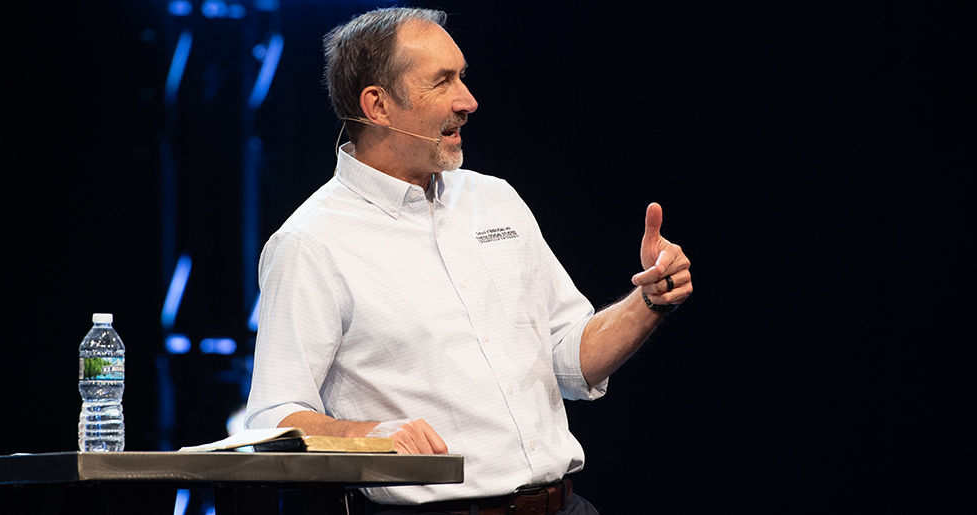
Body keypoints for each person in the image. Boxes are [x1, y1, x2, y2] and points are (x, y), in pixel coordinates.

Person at [243, 7, 693, 514]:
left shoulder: (495, 199)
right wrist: (369, 435)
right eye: (443, 82)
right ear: (378, 105)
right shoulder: (312, 243)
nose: (469, 101)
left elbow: (568, 359)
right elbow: (274, 418)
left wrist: (649, 301)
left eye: (463, 77)